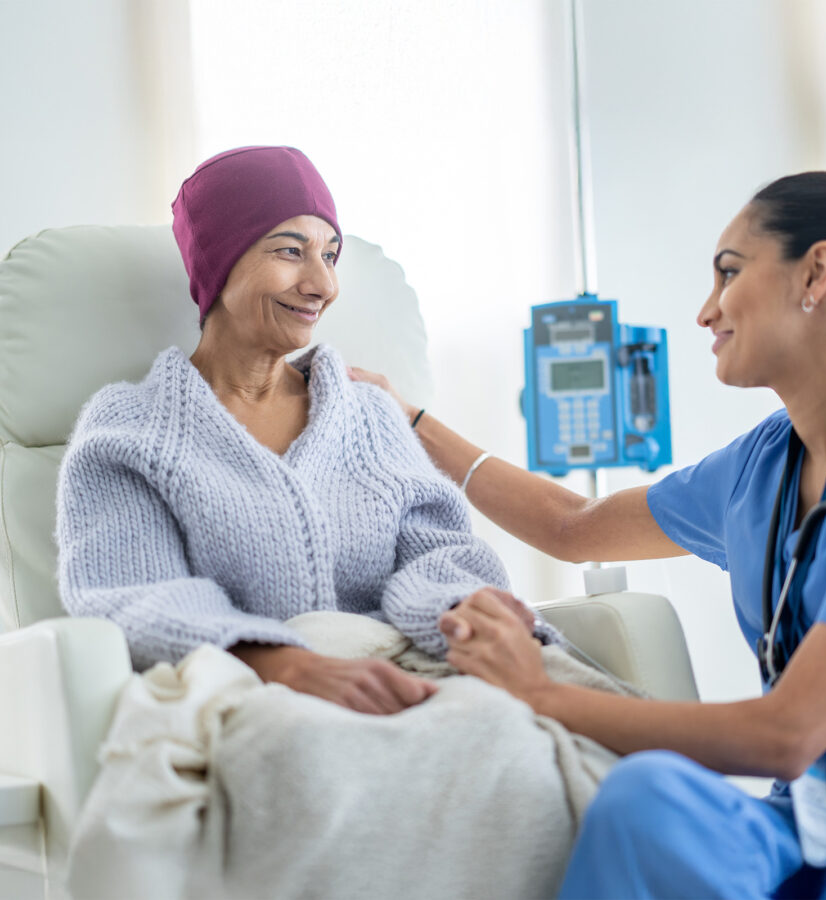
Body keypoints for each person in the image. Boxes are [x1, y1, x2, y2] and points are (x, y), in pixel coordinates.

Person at [354, 172, 826, 898]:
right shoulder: (765, 463)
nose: (705, 312)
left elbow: (790, 734)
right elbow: (572, 527)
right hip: (807, 831)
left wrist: (536, 692)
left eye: (728, 273)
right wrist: (408, 421)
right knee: (646, 802)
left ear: (817, 274)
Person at [56, 145, 543, 716]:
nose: (322, 285)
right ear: (219, 263)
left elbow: (438, 553)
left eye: (330, 256)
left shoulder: (367, 414)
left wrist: (464, 610)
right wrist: (284, 664)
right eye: (291, 252)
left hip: (417, 671)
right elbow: (133, 591)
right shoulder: (130, 429)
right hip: (250, 694)